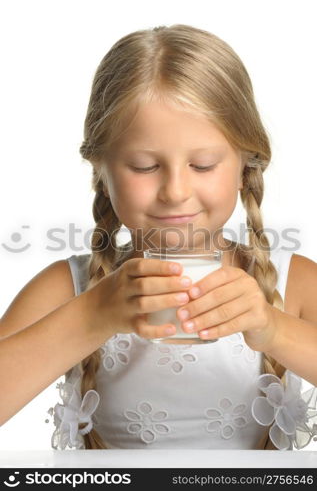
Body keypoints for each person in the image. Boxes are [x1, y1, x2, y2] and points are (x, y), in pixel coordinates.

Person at [1, 24, 317, 451]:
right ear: (101, 168)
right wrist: (90, 317)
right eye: (146, 167)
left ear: (246, 165)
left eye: (203, 165)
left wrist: (272, 328)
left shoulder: (290, 282)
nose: (175, 191)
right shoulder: (67, 288)